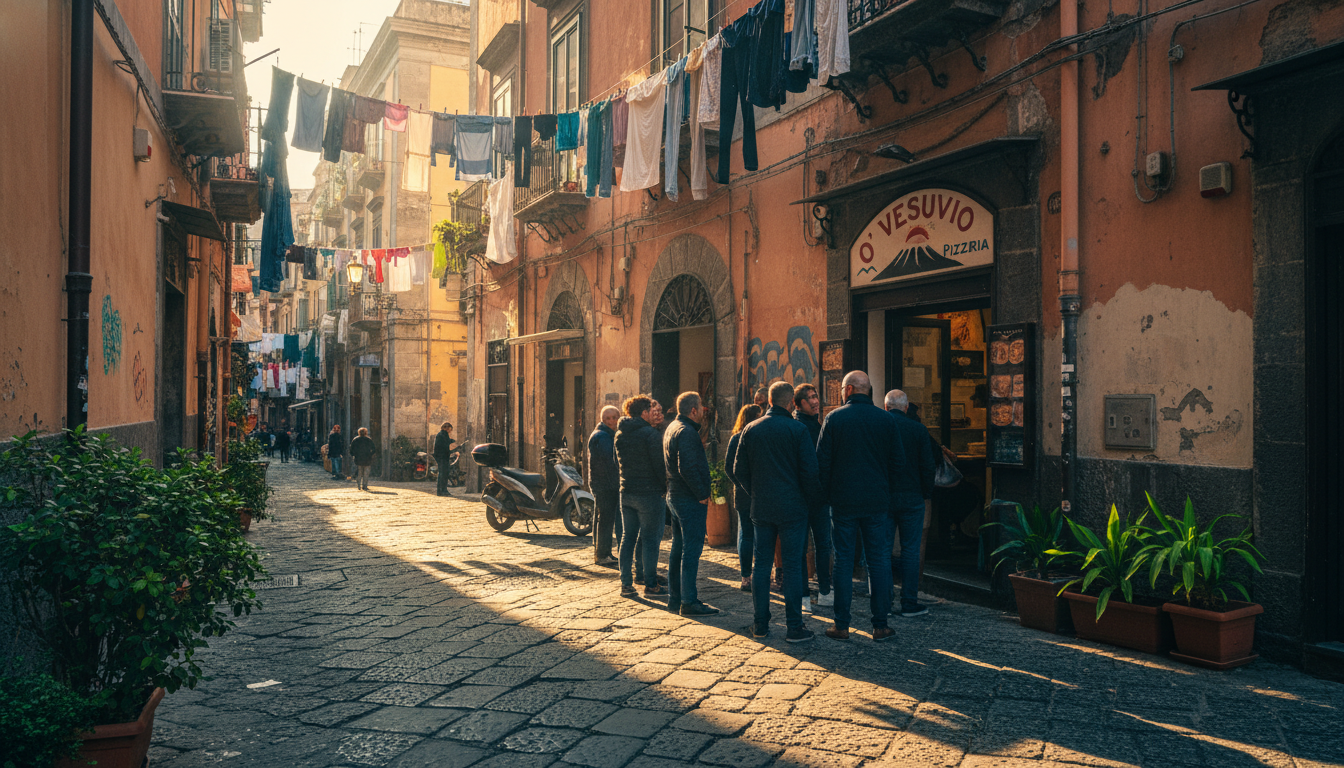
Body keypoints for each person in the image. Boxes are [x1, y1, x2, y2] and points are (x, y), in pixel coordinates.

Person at [816, 371, 905, 641]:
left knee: (843, 560)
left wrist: (828, 493)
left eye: (843, 389)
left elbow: (822, 463)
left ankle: (841, 625)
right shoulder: (886, 419)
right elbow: (898, 464)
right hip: (876, 501)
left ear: (849, 389)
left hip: (843, 501)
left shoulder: (834, 418)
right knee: (878, 561)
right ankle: (880, 625)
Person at [735, 382, 823, 642]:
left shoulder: (751, 429)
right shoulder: (797, 430)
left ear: (770, 401)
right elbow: (810, 472)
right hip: (793, 507)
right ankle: (794, 627)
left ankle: (760, 624)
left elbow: (739, 470)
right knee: (793, 565)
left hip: (762, 506)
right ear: (789, 403)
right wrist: (810, 500)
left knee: (761, 564)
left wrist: (756, 492)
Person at [882, 389, 937, 617]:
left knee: (882, 551)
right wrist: (925, 492)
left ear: (886, 407)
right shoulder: (918, 430)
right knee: (911, 551)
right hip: (912, 498)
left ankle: (884, 602)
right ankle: (909, 602)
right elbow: (928, 466)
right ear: (906, 408)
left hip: (884, 498)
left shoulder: (880, 427)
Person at [663, 391, 718, 617]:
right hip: (688, 498)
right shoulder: (686, 432)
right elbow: (686, 466)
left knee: (678, 548)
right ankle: (688, 600)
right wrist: (702, 493)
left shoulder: (672, 428)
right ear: (693, 410)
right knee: (690, 550)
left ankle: (675, 598)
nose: (703, 411)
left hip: (675, 496)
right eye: (701, 407)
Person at [615, 396, 667, 599]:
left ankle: (626, 584)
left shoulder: (619, 434)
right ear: (643, 413)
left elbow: (616, 461)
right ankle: (650, 584)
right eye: (649, 409)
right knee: (650, 540)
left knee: (628, 538)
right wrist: (664, 487)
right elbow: (658, 466)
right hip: (649, 493)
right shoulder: (650, 434)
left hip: (626, 491)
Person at [793, 383, 834, 610]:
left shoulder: (817, 424)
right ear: (798, 404)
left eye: (815, 396)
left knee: (823, 545)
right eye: (809, 398)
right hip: (805, 498)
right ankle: (804, 596)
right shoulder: (799, 426)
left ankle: (824, 591)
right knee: (803, 547)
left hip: (817, 498)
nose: (815, 401)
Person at [724, 404, 763, 592]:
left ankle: (746, 577)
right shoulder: (758, 437)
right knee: (758, 535)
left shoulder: (735, 439)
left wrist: (740, 485)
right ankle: (758, 574)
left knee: (746, 535)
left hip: (742, 494)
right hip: (759, 493)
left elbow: (729, 468)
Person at [588, 406, 622, 565]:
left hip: (603, 483)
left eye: (615, 417)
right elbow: (610, 462)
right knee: (605, 520)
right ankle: (602, 555)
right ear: (603, 419)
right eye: (608, 418)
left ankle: (604, 552)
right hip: (605, 485)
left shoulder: (605, 434)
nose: (612, 421)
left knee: (603, 519)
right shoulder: (603, 437)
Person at [434, 422, 458, 497]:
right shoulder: (443, 434)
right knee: (443, 473)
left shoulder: (441, 434)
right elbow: (445, 444)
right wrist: (451, 442)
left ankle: (442, 490)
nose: (450, 431)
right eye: (450, 429)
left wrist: (451, 441)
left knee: (443, 473)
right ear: (446, 428)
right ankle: (442, 490)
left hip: (441, 456)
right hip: (442, 457)